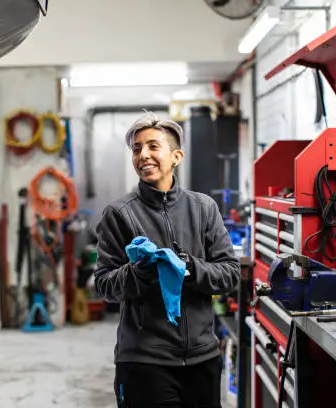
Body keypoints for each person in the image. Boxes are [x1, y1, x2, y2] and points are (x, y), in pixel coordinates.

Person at [94, 111, 240, 408]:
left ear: (176, 156)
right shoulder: (119, 214)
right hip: (144, 361)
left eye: (152, 146)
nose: (143, 155)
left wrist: (188, 266)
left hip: (202, 357)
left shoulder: (203, 208)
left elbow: (229, 274)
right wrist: (140, 273)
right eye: (136, 149)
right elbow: (103, 285)